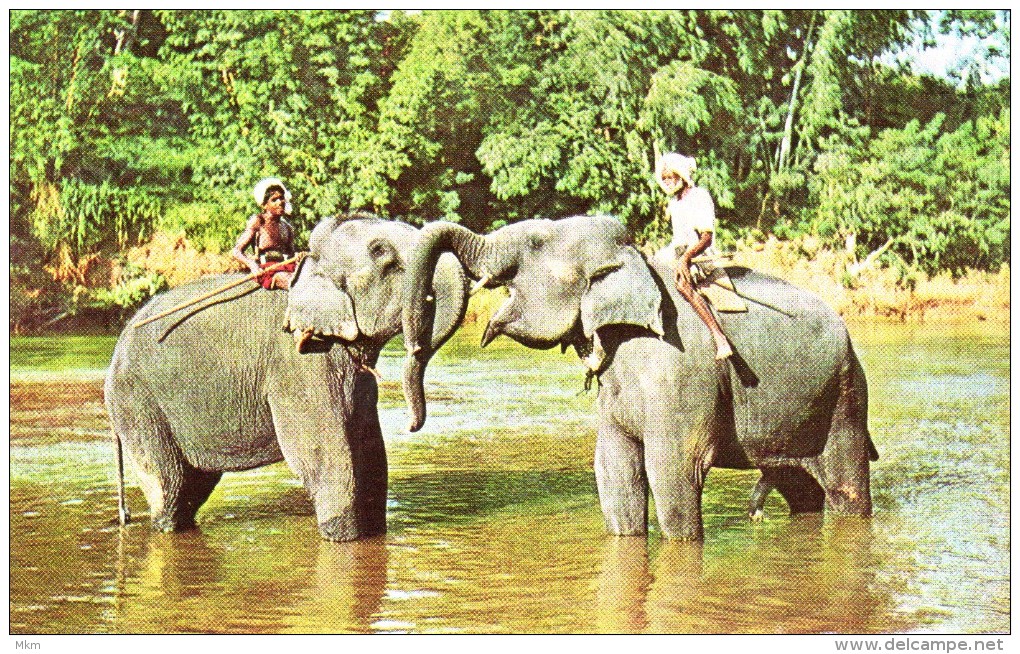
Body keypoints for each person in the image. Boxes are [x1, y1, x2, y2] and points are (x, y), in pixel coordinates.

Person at [656, 153, 733, 360]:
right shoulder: (675, 202)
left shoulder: (699, 196)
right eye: (664, 179)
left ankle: (719, 338)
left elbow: (706, 237)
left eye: (670, 177)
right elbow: (677, 239)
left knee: (683, 284)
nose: (667, 182)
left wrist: (685, 258)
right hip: (679, 252)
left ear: (681, 176)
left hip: (699, 254)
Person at [233, 177, 297, 290]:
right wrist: (253, 266)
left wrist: (299, 256)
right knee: (289, 280)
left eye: (281, 198)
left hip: (286, 266)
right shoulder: (258, 222)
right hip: (267, 270)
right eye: (274, 200)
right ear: (264, 205)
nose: (280, 202)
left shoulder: (287, 228)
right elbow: (236, 251)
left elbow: (291, 255)